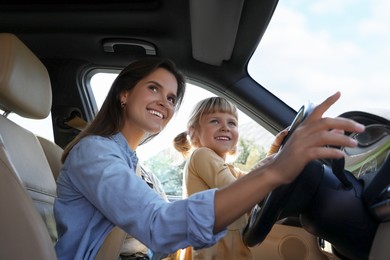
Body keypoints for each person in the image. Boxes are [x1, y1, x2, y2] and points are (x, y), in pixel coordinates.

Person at [53, 57, 365, 260]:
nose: (164, 102)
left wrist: (272, 161)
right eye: (153, 88)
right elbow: (157, 226)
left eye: (172, 98)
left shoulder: (133, 165)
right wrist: (274, 172)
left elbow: (165, 216)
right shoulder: (93, 152)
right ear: (124, 93)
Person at [173, 97, 287, 259]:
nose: (225, 127)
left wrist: (275, 151)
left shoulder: (228, 169)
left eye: (232, 123)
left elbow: (252, 180)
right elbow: (240, 192)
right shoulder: (202, 155)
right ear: (193, 133)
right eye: (214, 121)